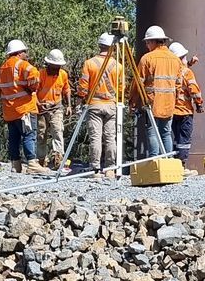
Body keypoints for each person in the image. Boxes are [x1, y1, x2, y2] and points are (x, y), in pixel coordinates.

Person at [0, 39, 43, 174]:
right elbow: (35, 76)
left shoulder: (1, 69)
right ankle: (32, 164)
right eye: (24, 51)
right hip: (24, 108)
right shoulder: (23, 65)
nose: (26, 54)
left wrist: (3, 93)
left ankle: (16, 165)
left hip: (9, 111)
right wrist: (32, 89)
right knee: (29, 135)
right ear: (18, 53)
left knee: (14, 138)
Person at [130, 25, 181, 158]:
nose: (147, 45)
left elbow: (138, 83)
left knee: (152, 132)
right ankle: (168, 161)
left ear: (153, 41)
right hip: (169, 103)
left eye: (147, 42)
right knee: (166, 132)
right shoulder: (175, 59)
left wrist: (133, 102)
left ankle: (155, 160)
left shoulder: (147, 59)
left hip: (151, 103)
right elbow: (179, 84)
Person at [77, 32, 122, 174]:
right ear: (112, 48)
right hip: (111, 105)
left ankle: (95, 168)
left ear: (99, 45)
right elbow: (121, 88)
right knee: (110, 138)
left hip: (94, 104)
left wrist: (79, 100)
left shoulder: (89, 63)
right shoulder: (118, 66)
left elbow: (83, 86)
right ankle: (110, 168)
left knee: (95, 137)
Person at [36, 48, 71, 169]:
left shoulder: (63, 74)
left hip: (57, 107)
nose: (57, 68)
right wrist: (38, 104)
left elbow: (66, 90)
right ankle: (41, 160)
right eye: (55, 65)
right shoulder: (40, 74)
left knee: (57, 131)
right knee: (41, 134)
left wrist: (69, 106)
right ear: (49, 64)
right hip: (42, 108)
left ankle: (58, 158)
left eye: (58, 66)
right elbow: (34, 92)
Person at [169, 41, 203, 164]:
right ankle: (182, 164)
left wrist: (189, 63)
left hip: (172, 111)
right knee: (184, 140)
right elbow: (194, 89)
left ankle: (174, 162)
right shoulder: (187, 72)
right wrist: (199, 103)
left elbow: (179, 76)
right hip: (185, 111)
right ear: (182, 57)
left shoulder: (170, 72)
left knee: (176, 138)